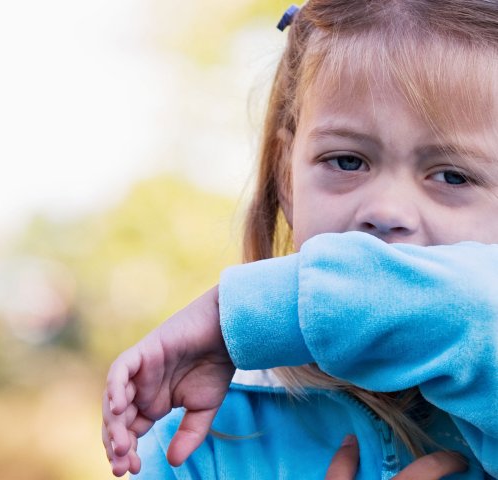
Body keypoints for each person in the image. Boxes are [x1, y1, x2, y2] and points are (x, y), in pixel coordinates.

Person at [102, 1, 498, 478]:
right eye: (347, 161)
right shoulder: (205, 434)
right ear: (286, 178)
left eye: (452, 176)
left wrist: (240, 315)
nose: (386, 211)